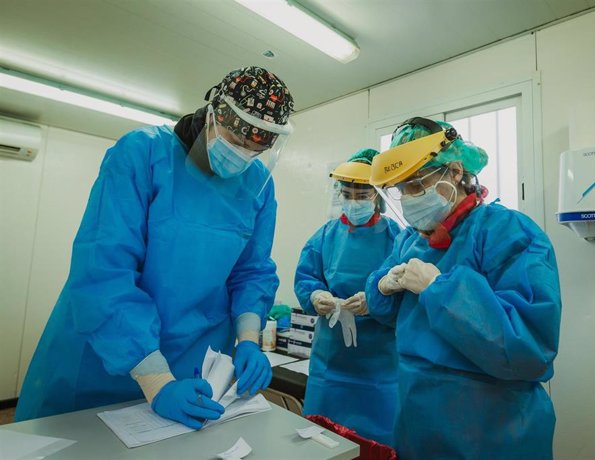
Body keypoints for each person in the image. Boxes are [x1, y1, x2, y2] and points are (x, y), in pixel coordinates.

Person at [15, 66, 295, 429]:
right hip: (107, 358)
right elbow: (104, 270)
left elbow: (252, 270)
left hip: (191, 367)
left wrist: (248, 338)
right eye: (235, 141)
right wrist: (156, 381)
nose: (242, 157)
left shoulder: (258, 185)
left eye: (254, 151)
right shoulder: (142, 154)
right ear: (213, 113)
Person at [365, 117, 562, 459]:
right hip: (417, 419)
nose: (408, 198)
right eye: (401, 189)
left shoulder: (508, 232)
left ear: (454, 172)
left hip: (491, 427)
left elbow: (528, 347)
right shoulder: (413, 241)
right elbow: (390, 315)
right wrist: (382, 287)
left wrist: (439, 288)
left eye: (416, 184)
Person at [293, 149, 401, 445]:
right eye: (348, 193)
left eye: (362, 194)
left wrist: (376, 301)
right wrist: (315, 294)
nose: (354, 200)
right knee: (322, 441)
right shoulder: (326, 235)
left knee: (376, 445)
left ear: (377, 195)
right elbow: (306, 277)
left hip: (380, 366)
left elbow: (406, 291)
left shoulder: (396, 237)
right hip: (331, 362)